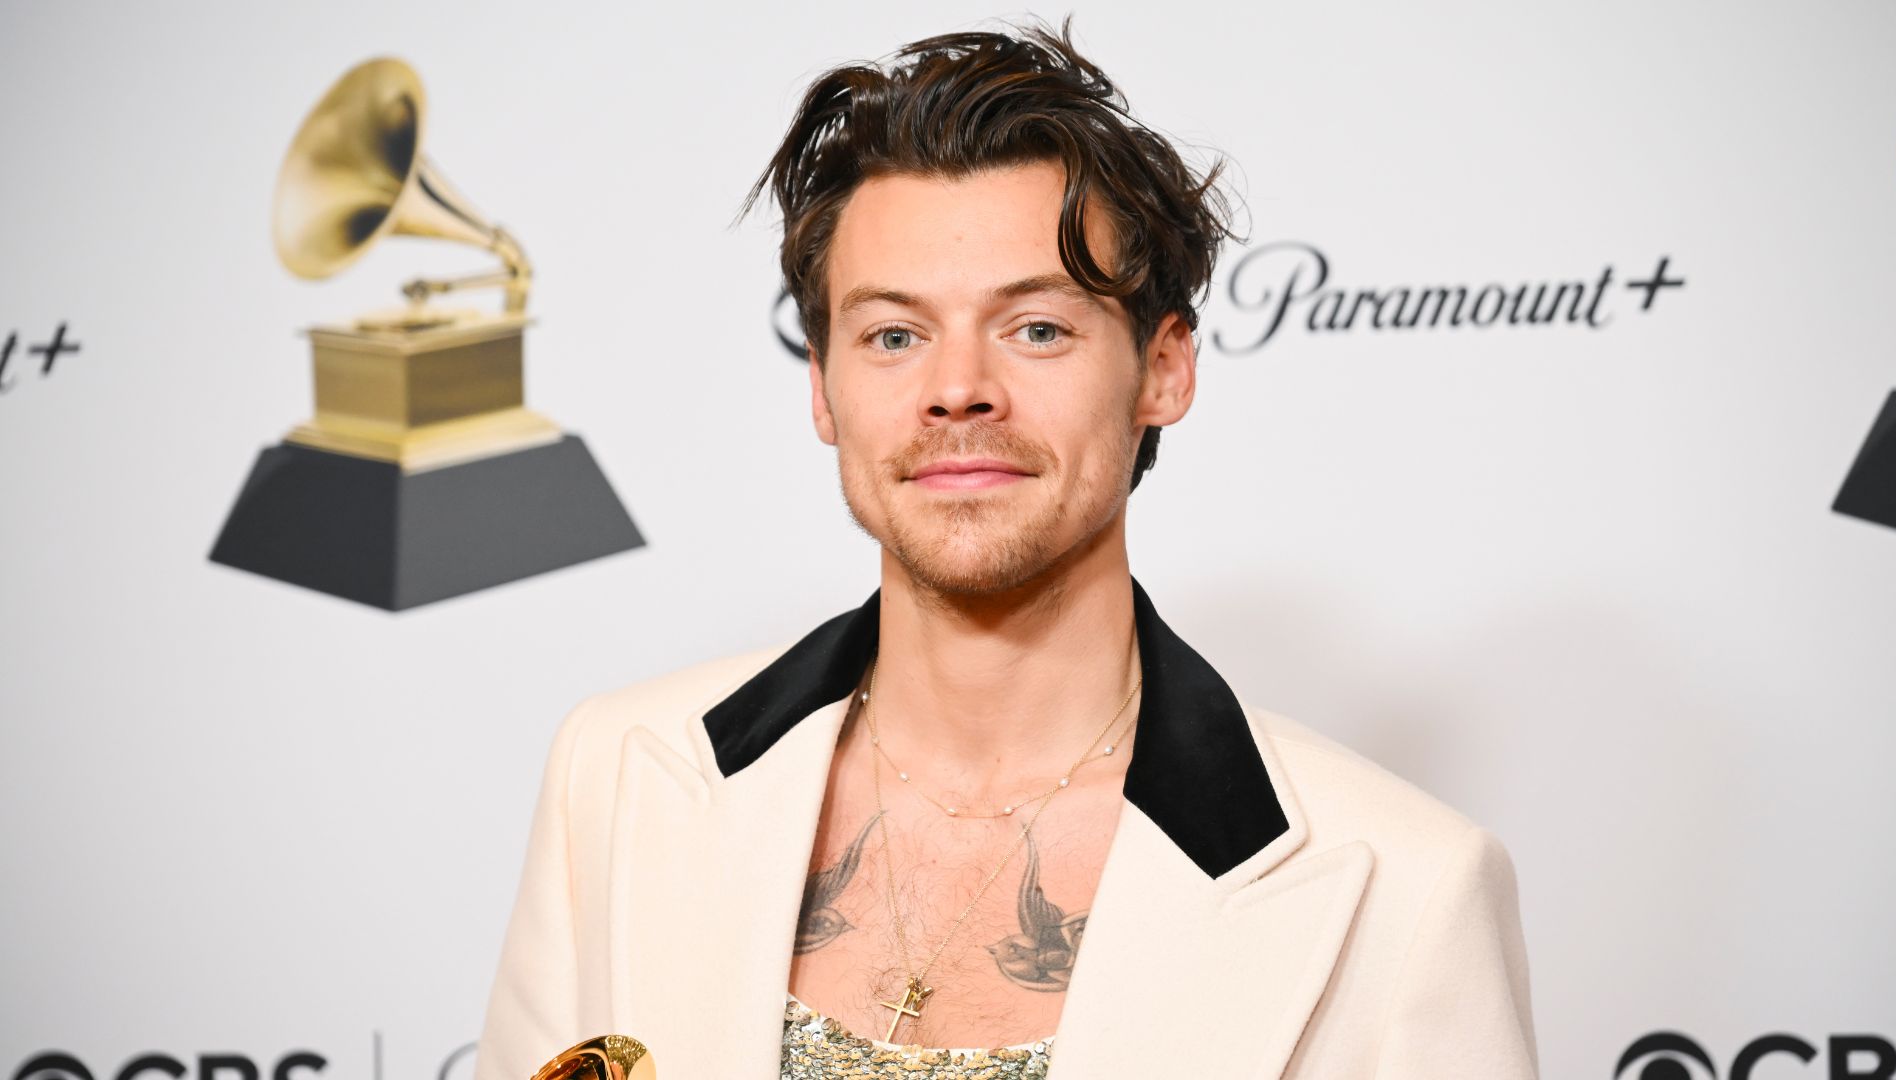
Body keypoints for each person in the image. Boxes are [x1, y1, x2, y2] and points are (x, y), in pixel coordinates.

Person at [473, 18, 1537, 1080]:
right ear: (822, 388)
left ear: (1163, 370)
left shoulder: (1406, 890)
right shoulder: (617, 777)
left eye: (1036, 328)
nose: (956, 388)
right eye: (894, 334)